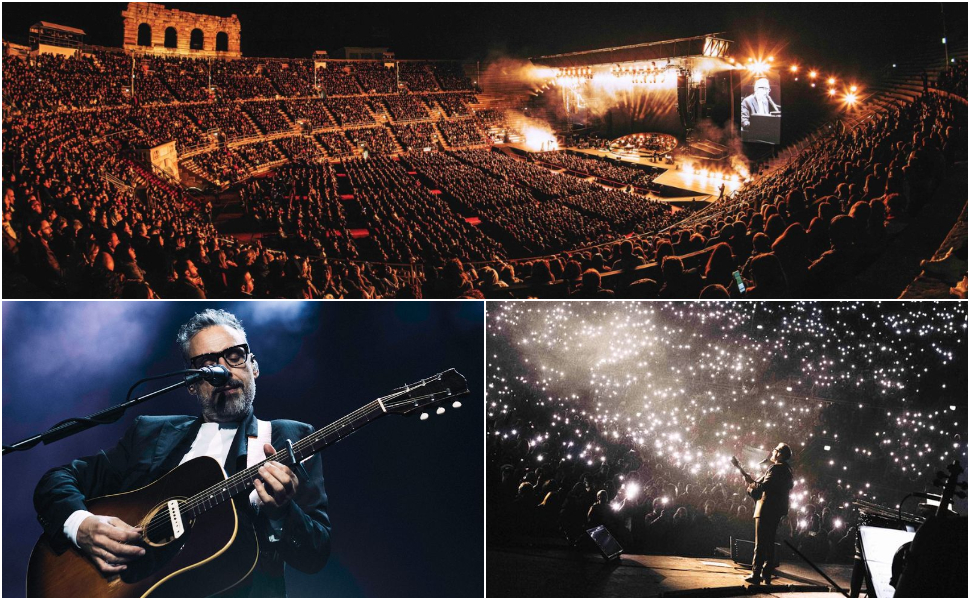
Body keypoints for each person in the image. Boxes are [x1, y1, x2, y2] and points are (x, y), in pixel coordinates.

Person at [33, 309, 331, 596]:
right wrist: (80, 525)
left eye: (235, 356)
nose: (222, 372)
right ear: (191, 384)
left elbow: (315, 553)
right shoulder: (151, 433)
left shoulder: (288, 437)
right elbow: (58, 480)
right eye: (206, 365)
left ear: (254, 365)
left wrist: (282, 511)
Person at [743, 443, 794, 585]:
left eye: (775, 450)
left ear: (780, 454)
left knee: (760, 543)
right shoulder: (787, 470)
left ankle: (756, 573)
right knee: (769, 542)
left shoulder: (776, 468)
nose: (772, 452)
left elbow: (765, 486)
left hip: (766, 509)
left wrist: (751, 483)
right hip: (775, 510)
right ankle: (766, 572)